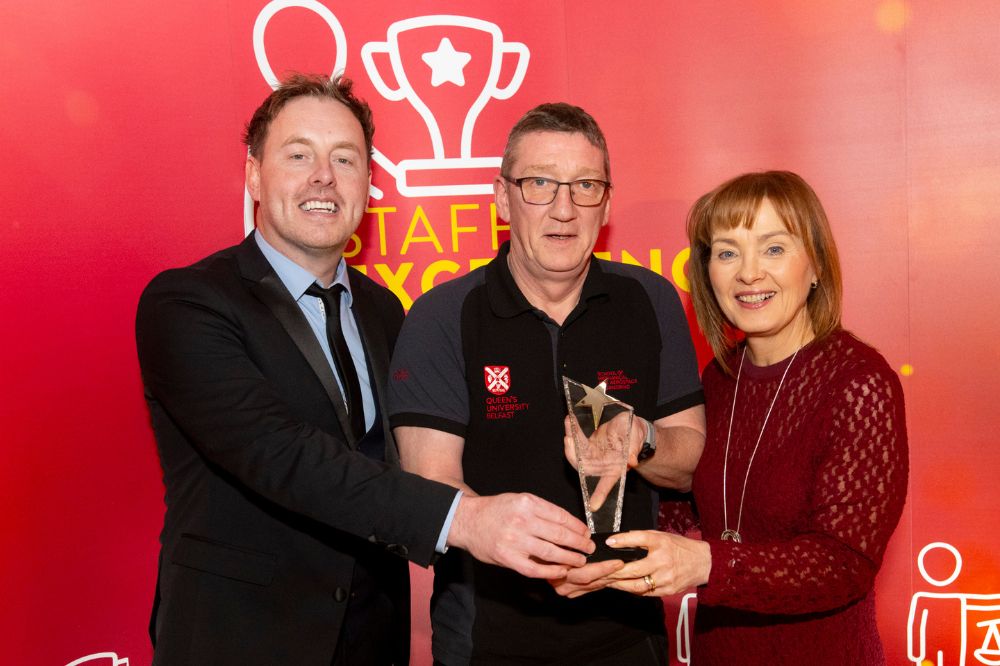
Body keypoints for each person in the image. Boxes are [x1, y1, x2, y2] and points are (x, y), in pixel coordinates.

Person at [135, 74, 595, 666]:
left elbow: (414, 454)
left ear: (368, 184)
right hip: (239, 637)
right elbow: (280, 453)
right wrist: (466, 518)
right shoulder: (187, 302)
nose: (323, 176)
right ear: (253, 175)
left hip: (374, 640)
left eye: (345, 158)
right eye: (298, 154)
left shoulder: (386, 311)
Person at [386, 102, 706, 665]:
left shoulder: (651, 300)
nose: (564, 208)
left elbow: (689, 460)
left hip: (631, 635)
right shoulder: (442, 316)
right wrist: (540, 557)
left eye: (585, 186)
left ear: (606, 203)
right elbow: (432, 488)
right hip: (486, 644)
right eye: (539, 184)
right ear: (502, 197)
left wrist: (642, 440)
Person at [555, 171, 909, 665]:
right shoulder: (721, 378)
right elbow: (700, 511)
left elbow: (844, 563)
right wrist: (599, 541)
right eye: (727, 253)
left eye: (773, 248)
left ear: (816, 265)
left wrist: (707, 563)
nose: (748, 273)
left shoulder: (859, 382)